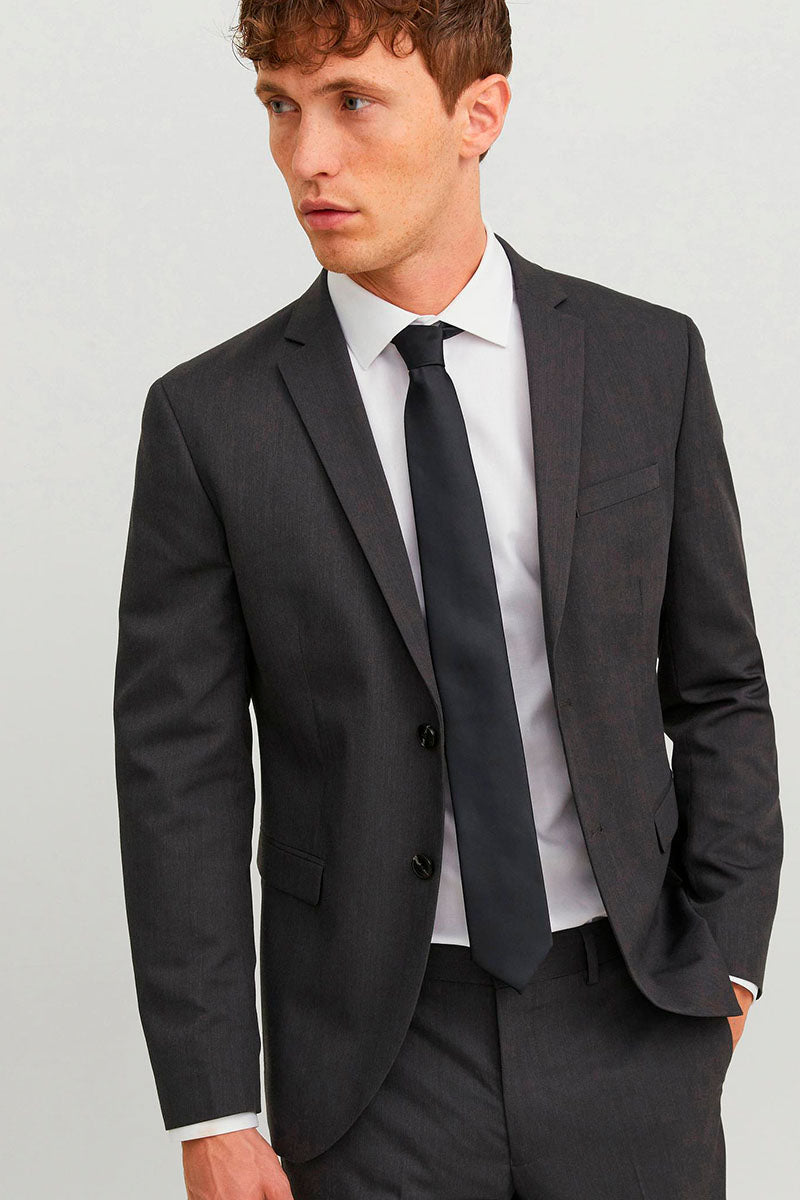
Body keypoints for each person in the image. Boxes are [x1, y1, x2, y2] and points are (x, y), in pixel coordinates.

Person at [113, 3, 783, 1198]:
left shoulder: (644, 361)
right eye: (280, 107)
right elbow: (180, 778)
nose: (307, 157)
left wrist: (727, 963)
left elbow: (718, 685)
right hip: (368, 1055)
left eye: (352, 103)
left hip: (630, 1013)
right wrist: (213, 1106)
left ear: (480, 114)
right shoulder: (211, 420)